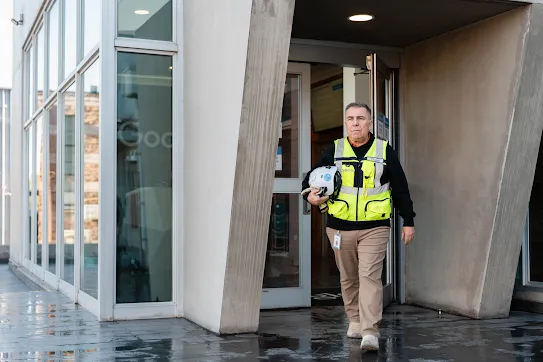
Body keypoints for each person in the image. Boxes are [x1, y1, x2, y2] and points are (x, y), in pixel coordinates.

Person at [301, 102, 416, 351]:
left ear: (370, 123)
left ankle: (370, 331)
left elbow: (401, 187)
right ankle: (354, 319)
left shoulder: (385, 151)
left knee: (369, 277)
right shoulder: (333, 149)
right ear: (345, 123)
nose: (356, 123)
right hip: (339, 228)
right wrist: (308, 195)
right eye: (351, 119)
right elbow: (310, 178)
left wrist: (408, 220)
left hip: (375, 227)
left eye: (361, 118)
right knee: (349, 278)